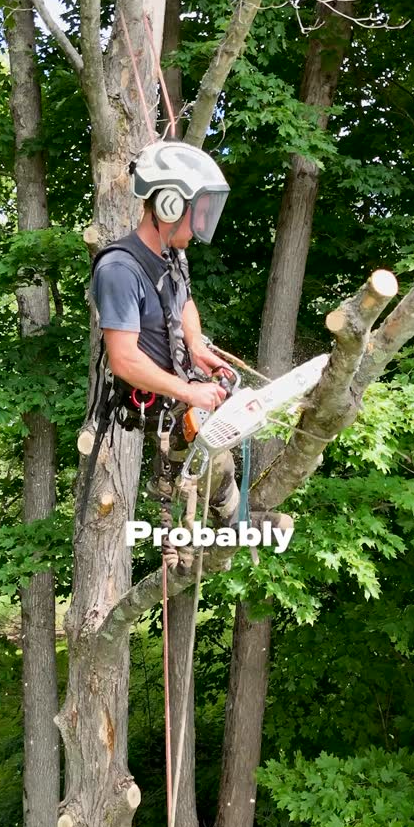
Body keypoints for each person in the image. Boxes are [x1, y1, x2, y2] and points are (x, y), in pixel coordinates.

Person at [91, 139, 290, 564]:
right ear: (166, 205)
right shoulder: (119, 270)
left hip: (181, 383)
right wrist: (189, 393)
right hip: (155, 401)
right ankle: (229, 528)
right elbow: (125, 360)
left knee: (228, 432)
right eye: (196, 210)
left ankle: (235, 521)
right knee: (208, 457)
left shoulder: (171, 254)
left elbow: (184, 303)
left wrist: (196, 345)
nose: (201, 222)